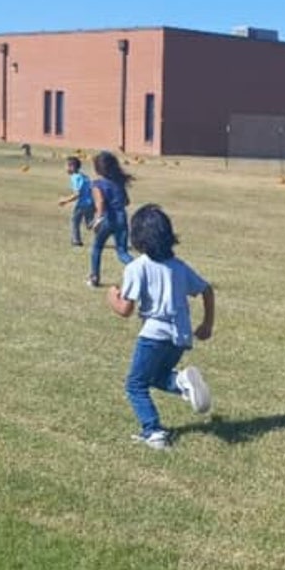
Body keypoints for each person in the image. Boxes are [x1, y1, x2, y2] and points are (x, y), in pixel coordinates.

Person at [106, 204, 215, 450]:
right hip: (180, 336)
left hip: (154, 334)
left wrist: (111, 296)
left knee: (135, 385)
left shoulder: (137, 267)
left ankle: (153, 431)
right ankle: (181, 382)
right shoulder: (178, 266)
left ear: (137, 238)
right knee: (156, 377)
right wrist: (207, 323)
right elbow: (206, 290)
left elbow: (125, 309)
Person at [86, 151, 135, 287]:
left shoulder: (97, 184)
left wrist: (97, 219)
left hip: (108, 218)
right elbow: (126, 202)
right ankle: (140, 270)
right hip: (122, 218)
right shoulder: (119, 183)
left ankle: (94, 277)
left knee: (97, 247)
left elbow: (100, 202)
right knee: (122, 252)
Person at [58, 156, 94, 247]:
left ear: (72, 167)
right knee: (90, 224)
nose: (65, 168)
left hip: (82, 204)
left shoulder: (75, 177)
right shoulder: (84, 176)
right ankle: (105, 226)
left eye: (66, 166)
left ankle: (76, 241)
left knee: (75, 221)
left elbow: (77, 194)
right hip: (91, 203)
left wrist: (65, 201)